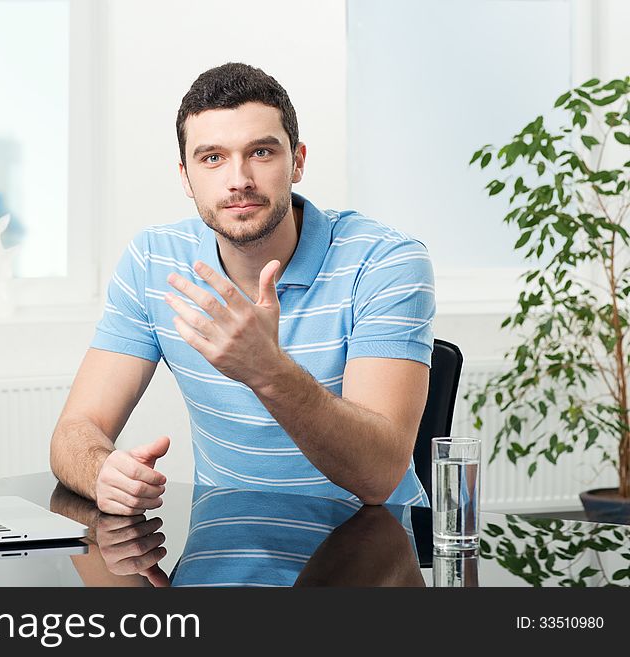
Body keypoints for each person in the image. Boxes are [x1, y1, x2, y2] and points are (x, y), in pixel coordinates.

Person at [50, 62, 434, 514]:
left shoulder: (385, 261)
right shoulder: (154, 260)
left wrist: (266, 369)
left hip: (370, 553)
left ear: (299, 162)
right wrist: (100, 472)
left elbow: (380, 475)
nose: (239, 180)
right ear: (185, 177)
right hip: (225, 545)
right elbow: (75, 430)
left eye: (262, 152)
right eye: (212, 157)